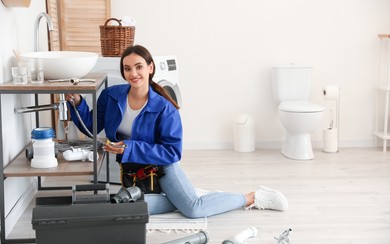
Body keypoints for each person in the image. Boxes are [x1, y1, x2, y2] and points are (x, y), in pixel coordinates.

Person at [65, 45, 288, 218]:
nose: (133, 73)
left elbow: (172, 152)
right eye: (127, 68)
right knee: (127, 207)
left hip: (163, 169)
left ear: (150, 68)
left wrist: (129, 147)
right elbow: (92, 126)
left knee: (193, 209)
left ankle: (251, 197)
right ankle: (188, 194)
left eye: (139, 66)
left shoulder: (165, 108)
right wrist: (77, 102)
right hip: (134, 172)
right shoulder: (111, 96)